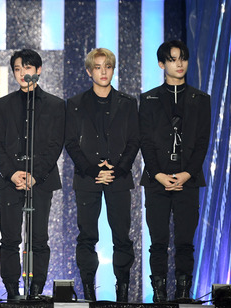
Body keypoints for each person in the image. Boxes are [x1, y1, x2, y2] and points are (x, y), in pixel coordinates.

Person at [64, 48, 138, 302]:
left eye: (107, 66)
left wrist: (116, 170)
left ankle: (123, 293)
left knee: (122, 236)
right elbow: (71, 143)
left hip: (119, 178)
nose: (103, 71)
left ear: (113, 69)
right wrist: (94, 170)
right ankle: (88, 293)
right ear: (89, 71)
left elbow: (134, 141)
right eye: (98, 67)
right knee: (87, 236)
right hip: (88, 178)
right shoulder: (74, 104)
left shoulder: (128, 103)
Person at [139, 40, 210, 303]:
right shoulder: (148, 99)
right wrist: (158, 174)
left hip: (188, 180)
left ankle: (183, 294)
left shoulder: (201, 99)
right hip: (157, 180)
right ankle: (159, 294)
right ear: (162, 64)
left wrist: (187, 174)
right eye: (172, 59)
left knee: (184, 242)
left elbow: (203, 141)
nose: (179, 64)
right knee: (158, 242)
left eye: (182, 58)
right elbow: (145, 140)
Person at [0, 49, 65, 299]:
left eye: (28, 67)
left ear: (39, 70)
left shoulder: (56, 105)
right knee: (10, 238)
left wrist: (34, 175)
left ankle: (35, 290)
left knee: (38, 239)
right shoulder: (1, 105)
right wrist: (12, 173)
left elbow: (56, 144)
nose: (23, 73)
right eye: (18, 69)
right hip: (9, 180)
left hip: (41, 181)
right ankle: (12, 290)